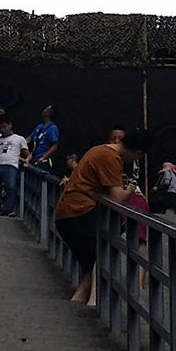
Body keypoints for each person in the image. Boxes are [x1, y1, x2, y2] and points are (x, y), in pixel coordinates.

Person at [55, 128, 148, 306]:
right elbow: (117, 197)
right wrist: (131, 189)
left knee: (93, 261)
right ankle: (94, 301)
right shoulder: (111, 157)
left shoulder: (99, 150)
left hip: (66, 213)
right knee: (105, 251)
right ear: (137, 153)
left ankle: (80, 299)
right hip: (79, 212)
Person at [28, 104, 60, 171]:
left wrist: (43, 157)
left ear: (49, 112)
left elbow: (55, 146)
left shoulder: (52, 128)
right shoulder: (39, 127)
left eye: (46, 109)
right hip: (34, 159)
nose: (43, 110)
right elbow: (29, 139)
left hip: (43, 162)